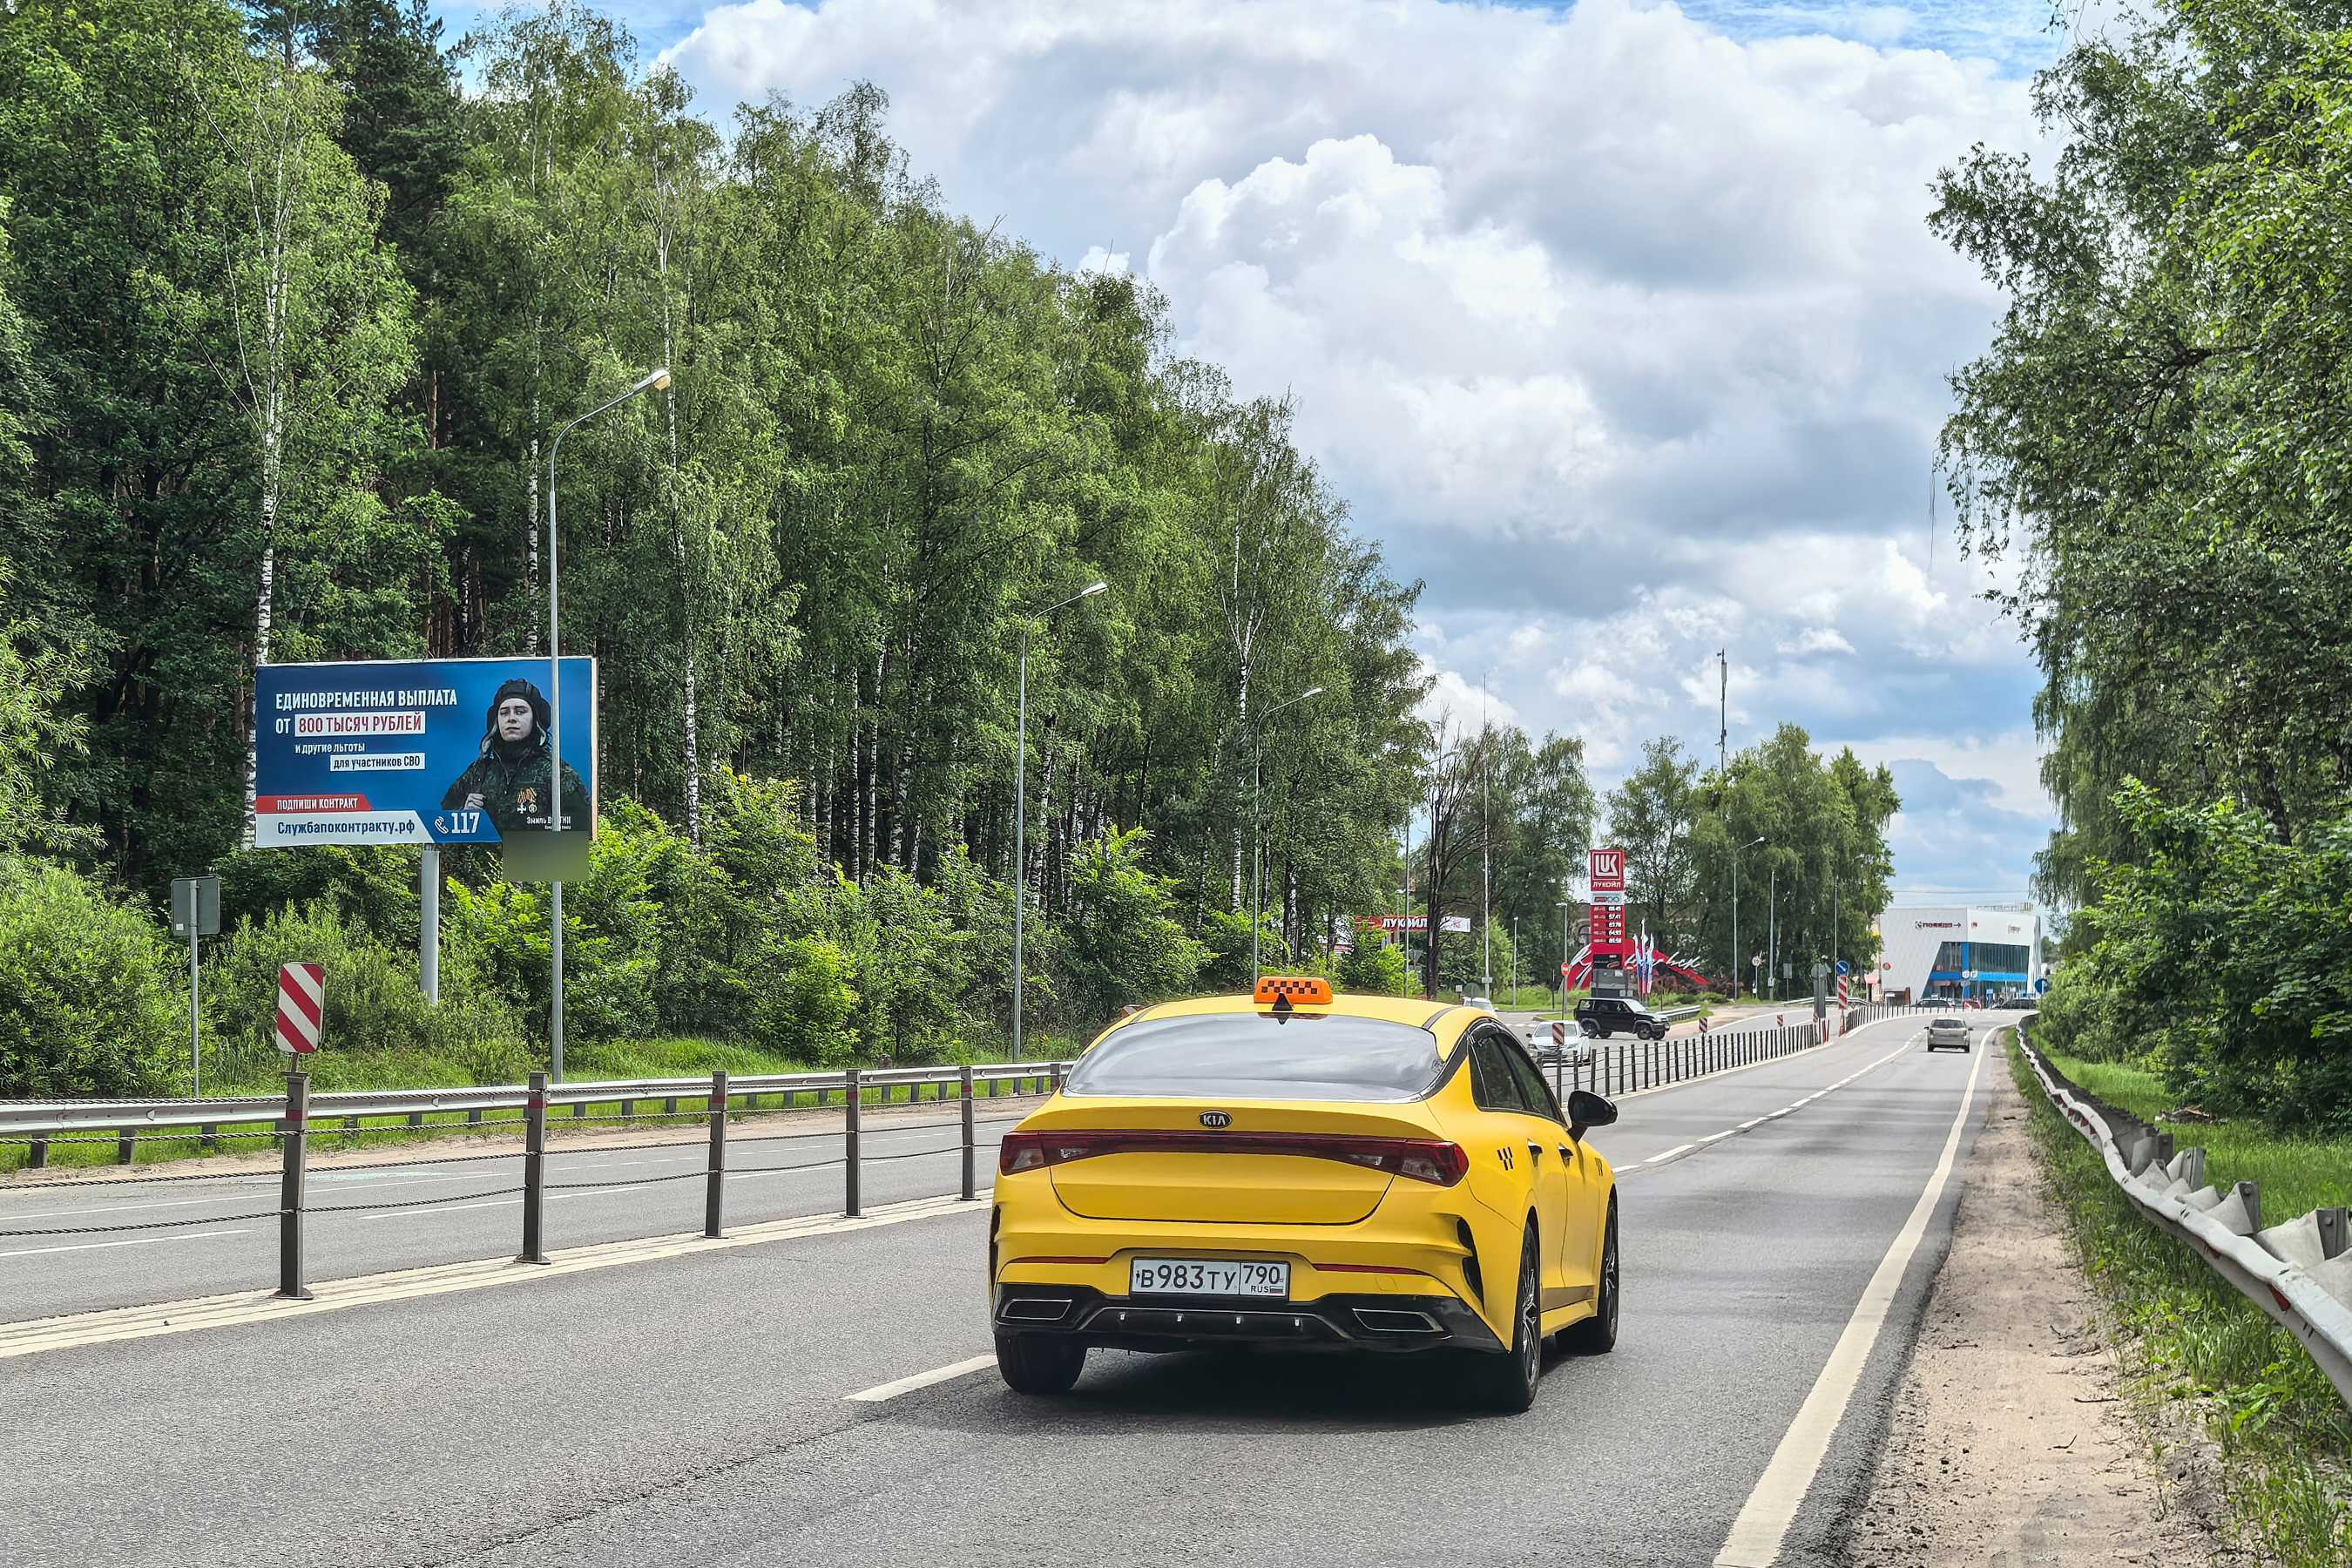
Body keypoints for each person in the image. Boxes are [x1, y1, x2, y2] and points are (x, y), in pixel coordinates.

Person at [440, 677, 591, 836]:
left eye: (520, 711)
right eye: (504, 713)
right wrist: (463, 815)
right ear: (496, 721)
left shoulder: (558, 774)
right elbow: (440, 828)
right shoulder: (478, 773)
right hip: (481, 861)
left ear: (535, 719)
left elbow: (578, 839)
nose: (511, 718)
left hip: (535, 860)